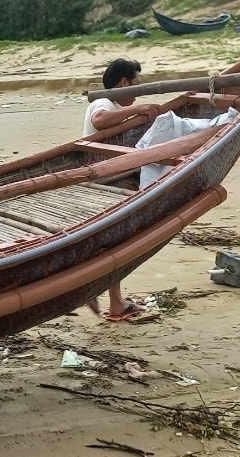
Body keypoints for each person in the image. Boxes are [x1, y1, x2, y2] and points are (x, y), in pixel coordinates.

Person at [83, 58, 162, 321]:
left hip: (114, 181)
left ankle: (116, 303)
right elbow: (101, 120)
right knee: (111, 243)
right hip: (103, 186)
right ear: (123, 83)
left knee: (114, 242)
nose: (138, 90)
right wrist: (138, 109)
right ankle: (88, 288)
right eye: (136, 84)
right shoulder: (103, 102)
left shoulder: (116, 105)